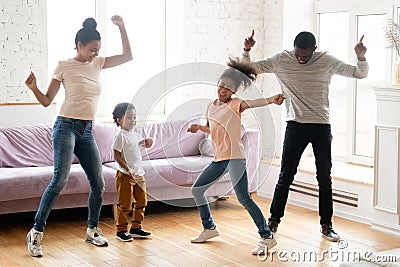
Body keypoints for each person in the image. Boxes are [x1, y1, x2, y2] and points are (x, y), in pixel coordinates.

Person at [242, 30, 368, 241]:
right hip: (295, 125)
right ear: (294, 49)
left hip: (321, 126)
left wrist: (361, 57)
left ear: (314, 50)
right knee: (285, 175)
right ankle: (273, 221)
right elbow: (250, 69)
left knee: (324, 178)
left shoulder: (326, 60)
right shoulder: (281, 59)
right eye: (298, 54)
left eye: (305, 56)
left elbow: (359, 73)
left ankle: (327, 225)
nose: (301, 59)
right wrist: (247, 50)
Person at [24, 15, 132, 257]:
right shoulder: (64, 65)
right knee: (59, 180)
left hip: (86, 129)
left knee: (99, 183)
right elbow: (46, 101)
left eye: (98, 50)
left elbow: (127, 56)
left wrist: (122, 28)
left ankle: (92, 229)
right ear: (79, 45)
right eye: (92, 49)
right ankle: (36, 232)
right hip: (65, 127)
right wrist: (33, 89)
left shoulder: (98, 63)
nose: (95, 54)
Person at [187, 57, 285, 255]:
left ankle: (267, 237)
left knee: (244, 198)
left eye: (228, 88)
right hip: (220, 158)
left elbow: (253, 103)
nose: (223, 90)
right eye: (221, 85)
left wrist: (270, 100)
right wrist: (200, 127)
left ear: (234, 92)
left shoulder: (235, 104)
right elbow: (214, 129)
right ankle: (209, 228)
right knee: (197, 190)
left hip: (235, 157)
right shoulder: (211, 106)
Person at [111, 102, 153, 242]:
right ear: (119, 120)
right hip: (125, 176)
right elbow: (116, 156)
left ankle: (136, 227)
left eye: (134, 117)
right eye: (129, 117)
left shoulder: (135, 134)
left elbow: (142, 144)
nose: (133, 120)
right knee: (126, 205)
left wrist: (148, 141)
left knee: (142, 201)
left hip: (139, 175)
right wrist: (128, 169)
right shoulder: (120, 136)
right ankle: (121, 230)